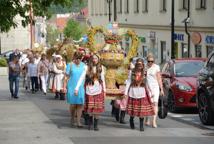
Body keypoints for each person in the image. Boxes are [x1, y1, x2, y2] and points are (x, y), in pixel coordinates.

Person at [124, 58, 154, 131]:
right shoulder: (132, 72)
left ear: (143, 64)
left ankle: (141, 125)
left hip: (142, 92)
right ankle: (131, 120)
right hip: (133, 91)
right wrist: (125, 92)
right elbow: (128, 82)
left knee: (142, 110)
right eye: (138, 64)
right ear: (136, 64)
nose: (139, 65)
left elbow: (147, 82)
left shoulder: (145, 72)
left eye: (141, 64)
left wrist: (151, 91)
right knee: (133, 109)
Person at [63, 51, 87, 128]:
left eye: (79, 59)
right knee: (73, 104)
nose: (78, 60)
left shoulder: (84, 66)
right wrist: (64, 87)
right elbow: (66, 77)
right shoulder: (70, 65)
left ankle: (78, 122)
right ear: (74, 58)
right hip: (71, 87)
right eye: (76, 58)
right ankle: (72, 117)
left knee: (80, 104)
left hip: (80, 87)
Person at [84, 54, 106, 131]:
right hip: (89, 88)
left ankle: (96, 125)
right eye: (93, 58)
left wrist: (105, 90)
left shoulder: (101, 67)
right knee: (90, 107)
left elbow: (103, 79)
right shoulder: (87, 67)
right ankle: (90, 123)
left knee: (97, 108)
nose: (94, 60)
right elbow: (83, 78)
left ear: (98, 59)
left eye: (96, 58)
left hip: (98, 89)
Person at [145, 53, 164, 128]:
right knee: (148, 104)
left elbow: (159, 79)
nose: (150, 63)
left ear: (154, 61)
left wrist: (161, 89)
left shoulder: (156, 67)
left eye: (152, 61)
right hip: (147, 87)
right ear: (147, 61)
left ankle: (154, 121)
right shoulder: (145, 67)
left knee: (155, 104)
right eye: (149, 61)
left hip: (155, 87)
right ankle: (147, 118)